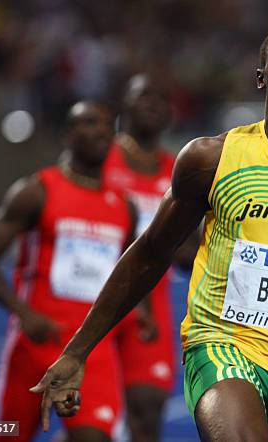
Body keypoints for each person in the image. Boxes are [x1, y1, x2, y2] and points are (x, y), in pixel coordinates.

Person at [31, 20, 268, 441]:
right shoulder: (211, 158)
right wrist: (78, 350)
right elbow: (151, 252)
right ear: (262, 77)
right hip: (222, 348)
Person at [0, 101, 137, 442]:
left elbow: (129, 273)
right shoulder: (37, 191)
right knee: (7, 433)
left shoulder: (124, 206)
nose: (101, 130)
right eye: (88, 123)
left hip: (92, 348)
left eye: (106, 124)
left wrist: (141, 312)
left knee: (95, 437)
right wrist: (24, 314)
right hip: (36, 343)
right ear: (67, 135)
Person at [104, 73, 196, 442]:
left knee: (148, 406)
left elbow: (192, 245)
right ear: (124, 104)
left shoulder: (180, 170)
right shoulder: (99, 157)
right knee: (92, 423)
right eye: (144, 97)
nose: (153, 105)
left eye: (161, 99)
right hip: (94, 298)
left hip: (150, 300)